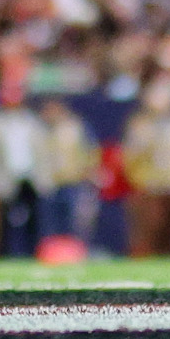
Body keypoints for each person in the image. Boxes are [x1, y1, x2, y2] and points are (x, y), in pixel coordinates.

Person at [121, 83, 170, 258]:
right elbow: (130, 157)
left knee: (169, 234)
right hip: (148, 186)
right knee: (148, 232)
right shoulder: (140, 126)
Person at [0, 80, 44, 258]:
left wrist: (44, 176)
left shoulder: (32, 122)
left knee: (34, 223)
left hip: (30, 178)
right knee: (0, 226)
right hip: (3, 179)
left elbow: (43, 152)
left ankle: (32, 256)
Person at [39, 100, 100, 255]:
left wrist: (88, 172)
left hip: (74, 181)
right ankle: (52, 254)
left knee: (75, 223)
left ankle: (76, 254)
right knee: (50, 224)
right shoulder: (41, 129)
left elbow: (90, 152)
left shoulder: (75, 127)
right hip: (50, 184)